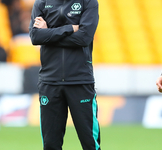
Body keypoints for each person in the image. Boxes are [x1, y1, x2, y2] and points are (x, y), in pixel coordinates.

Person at [29, 0, 100, 149]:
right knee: (50, 145)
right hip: (50, 82)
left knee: (90, 144)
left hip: (80, 81)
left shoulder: (89, 2)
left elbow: (84, 38)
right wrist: (70, 28)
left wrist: (48, 33)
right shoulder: (41, 3)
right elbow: (36, 37)